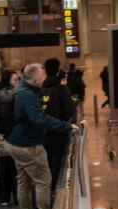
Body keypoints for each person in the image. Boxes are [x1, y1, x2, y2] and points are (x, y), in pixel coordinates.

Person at [6, 62, 77, 209]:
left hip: (14, 142)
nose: (44, 79)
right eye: (42, 76)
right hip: (28, 145)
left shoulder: (20, 90)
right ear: (36, 78)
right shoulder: (28, 95)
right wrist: (65, 126)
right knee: (43, 180)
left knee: (23, 181)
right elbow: (39, 119)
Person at [41, 58, 77, 191]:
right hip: (59, 131)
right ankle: (56, 189)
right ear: (57, 70)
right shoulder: (61, 88)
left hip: (43, 133)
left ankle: (46, 188)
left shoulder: (41, 89)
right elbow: (70, 110)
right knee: (59, 161)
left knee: (47, 161)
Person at [0, 69, 20, 207]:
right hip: (14, 135)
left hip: (0, 134)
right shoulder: (18, 94)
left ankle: (4, 198)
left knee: (2, 167)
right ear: (9, 80)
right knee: (15, 167)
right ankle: (17, 196)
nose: (17, 82)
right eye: (15, 80)